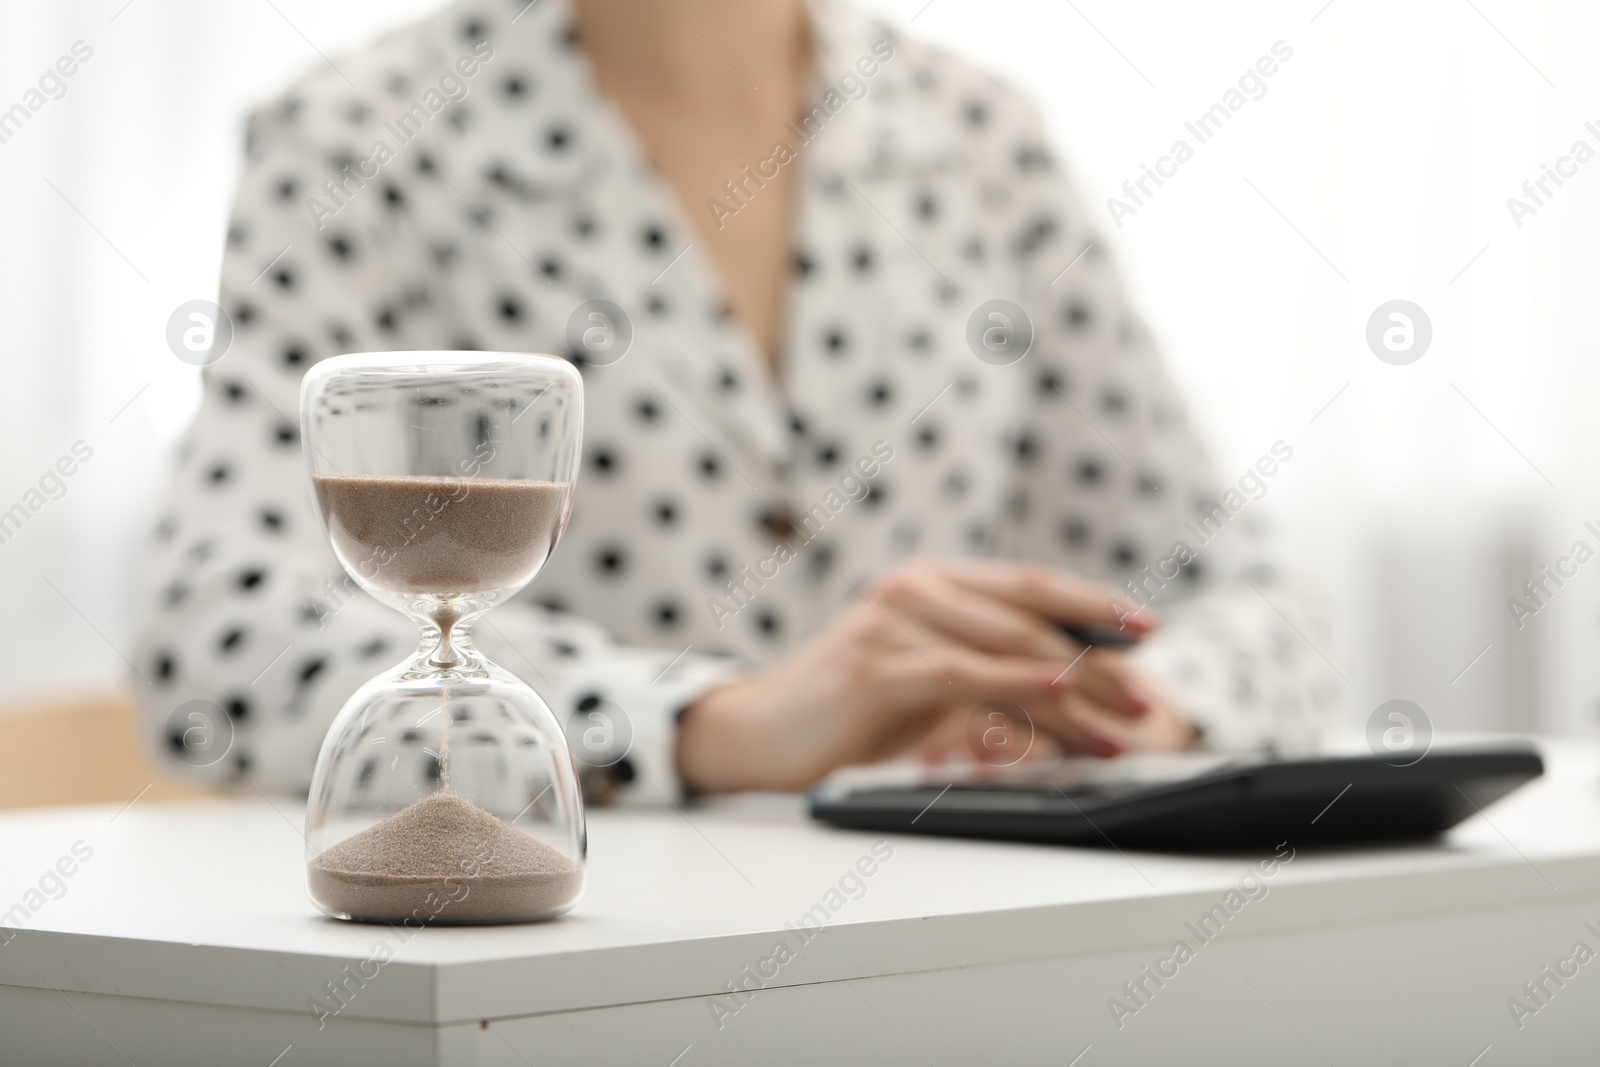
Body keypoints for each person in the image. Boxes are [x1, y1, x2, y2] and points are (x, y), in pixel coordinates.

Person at [134, 0, 1339, 801]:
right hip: (584, 969)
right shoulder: (359, 141)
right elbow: (211, 639)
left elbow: (1252, 596)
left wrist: (1119, 712)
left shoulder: (980, 138)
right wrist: (714, 723)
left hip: (946, 935)